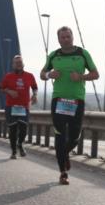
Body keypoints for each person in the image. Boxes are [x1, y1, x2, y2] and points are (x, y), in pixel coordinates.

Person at [40, 26, 99, 185]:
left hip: (76, 101)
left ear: (72, 37)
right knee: (59, 135)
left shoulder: (82, 53)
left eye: (68, 37)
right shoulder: (54, 55)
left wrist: (81, 77)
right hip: (58, 100)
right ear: (58, 39)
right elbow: (42, 74)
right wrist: (49, 74)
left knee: (74, 137)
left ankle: (63, 154)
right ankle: (63, 173)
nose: (66, 39)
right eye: (63, 37)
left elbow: (95, 74)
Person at [0, 55, 38, 158]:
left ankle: (20, 144)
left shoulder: (30, 76)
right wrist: (9, 91)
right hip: (11, 107)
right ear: (13, 65)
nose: (18, 65)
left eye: (20, 62)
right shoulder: (8, 76)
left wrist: (35, 95)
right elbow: (1, 88)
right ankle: (13, 152)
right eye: (16, 63)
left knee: (23, 129)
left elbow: (34, 87)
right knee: (13, 130)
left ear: (23, 64)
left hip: (24, 107)